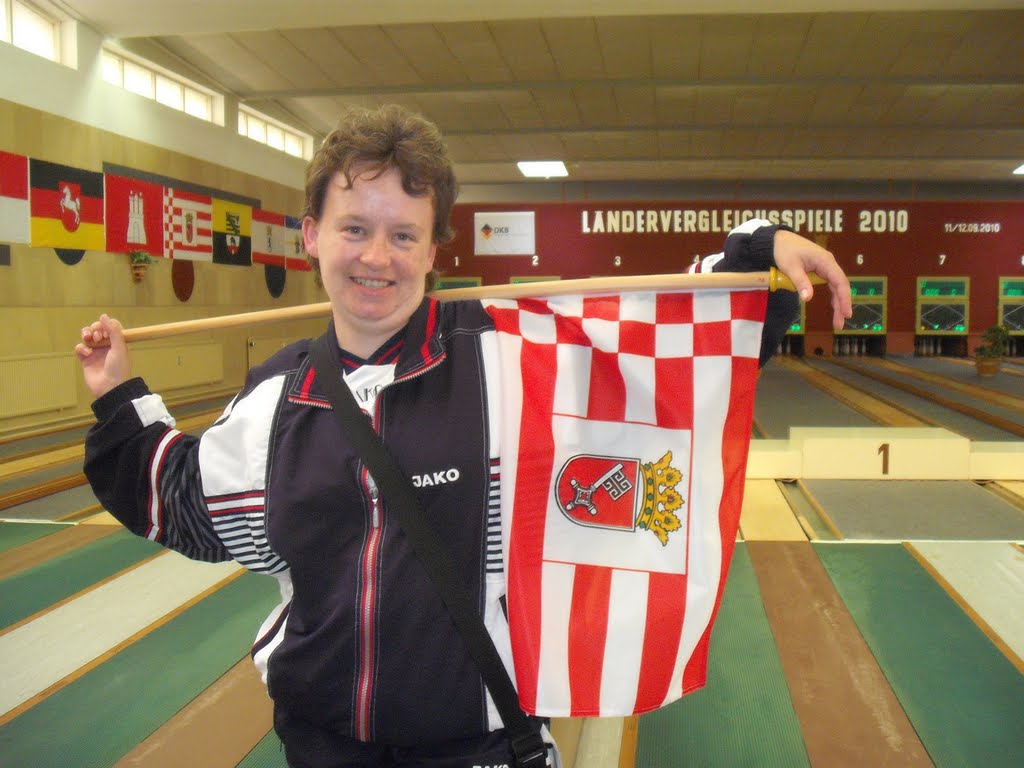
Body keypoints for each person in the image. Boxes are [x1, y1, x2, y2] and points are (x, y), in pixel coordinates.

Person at [76, 104, 852, 768]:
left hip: (479, 746)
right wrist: (119, 396)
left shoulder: (511, 361)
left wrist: (755, 256)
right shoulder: (278, 398)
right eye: (354, 228)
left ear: (433, 250)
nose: (376, 257)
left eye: (403, 235)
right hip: (321, 746)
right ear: (311, 235)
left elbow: (665, 354)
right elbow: (179, 497)